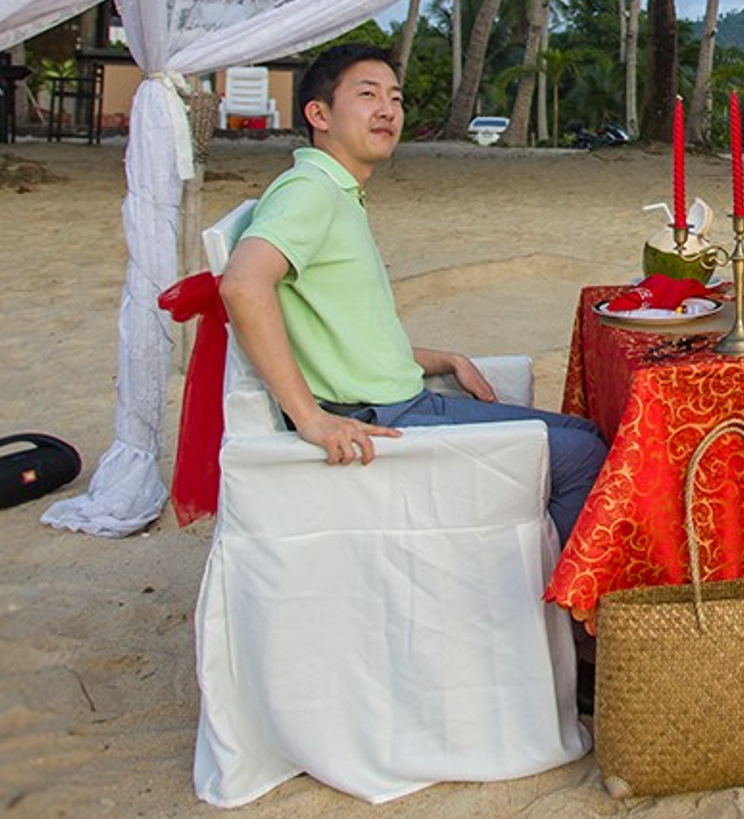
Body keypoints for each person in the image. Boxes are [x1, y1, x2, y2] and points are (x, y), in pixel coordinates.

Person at [219, 43, 608, 545]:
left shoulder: (336, 191)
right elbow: (243, 284)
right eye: (367, 95)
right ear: (319, 114)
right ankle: (551, 610)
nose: (387, 110)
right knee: (585, 457)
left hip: (401, 398)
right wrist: (310, 417)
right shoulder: (309, 190)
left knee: (586, 434)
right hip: (383, 419)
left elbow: (344, 336)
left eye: (396, 99)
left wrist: (439, 358)